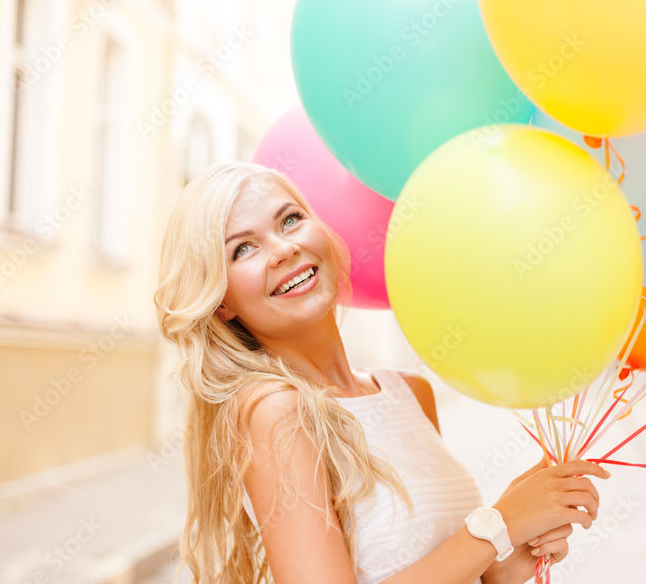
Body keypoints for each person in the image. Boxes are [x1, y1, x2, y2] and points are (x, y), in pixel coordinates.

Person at [153, 162, 609, 583]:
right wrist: (498, 524)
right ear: (223, 303)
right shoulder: (277, 412)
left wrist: (513, 549)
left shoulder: (409, 392)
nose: (283, 249)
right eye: (243, 249)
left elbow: (458, 570)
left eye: (290, 220)